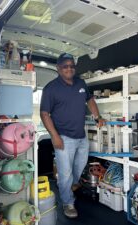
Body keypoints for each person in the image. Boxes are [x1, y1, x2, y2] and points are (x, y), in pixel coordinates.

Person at [40, 53, 104, 218]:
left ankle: (71, 185)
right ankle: (68, 203)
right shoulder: (50, 88)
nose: (69, 68)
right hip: (63, 137)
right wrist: (54, 136)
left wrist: (97, 116)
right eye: (65, 66)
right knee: (65, 172)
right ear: (58, 68)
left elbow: (89, 100)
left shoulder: (81, 83)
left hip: (81, 136)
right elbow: (44, 114)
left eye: (71, 66)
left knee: (80, 165)